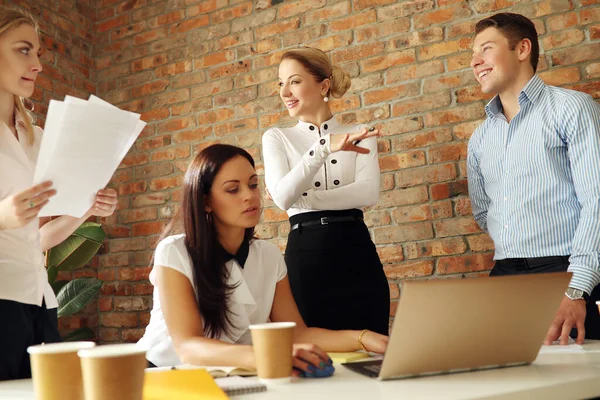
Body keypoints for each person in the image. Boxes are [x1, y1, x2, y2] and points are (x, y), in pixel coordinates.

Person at [138, 144, 388, 376]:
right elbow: (188, 347)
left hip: (233, 375)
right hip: (164, 374)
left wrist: (365, 338)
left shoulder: (267, 255)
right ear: (205, 201)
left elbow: (297, 334)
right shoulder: (174, 252)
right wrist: (270, 356)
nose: (249, 196)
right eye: (233, 189)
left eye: (253, 185)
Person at [467, 12, 600, 345]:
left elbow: (596, 200)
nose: (475, 62)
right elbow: (486, 213)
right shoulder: (480, 138)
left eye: (486, 49)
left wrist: (575, 288)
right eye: (472, 54)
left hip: (566, 279)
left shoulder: (572, 109)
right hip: (505, 280)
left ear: (522, 48)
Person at [0, 6, 118, 380]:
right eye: (24, 50)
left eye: (37, 54)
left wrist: (85, 211)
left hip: (38, 303)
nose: (36, 65)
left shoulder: (35, 137)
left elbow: (38, 241)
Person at [261, 47, 390, 335]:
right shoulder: (276, 138)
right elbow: (283, 198)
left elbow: (368, 194)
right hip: (306, 256)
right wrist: (323, 147)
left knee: (372, 345)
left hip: (357, 251)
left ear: (323, 85)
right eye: (281, 83)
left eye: (294, 81)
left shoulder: (359, 131)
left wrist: (302, 198)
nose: (284, 93)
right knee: (315, 353)